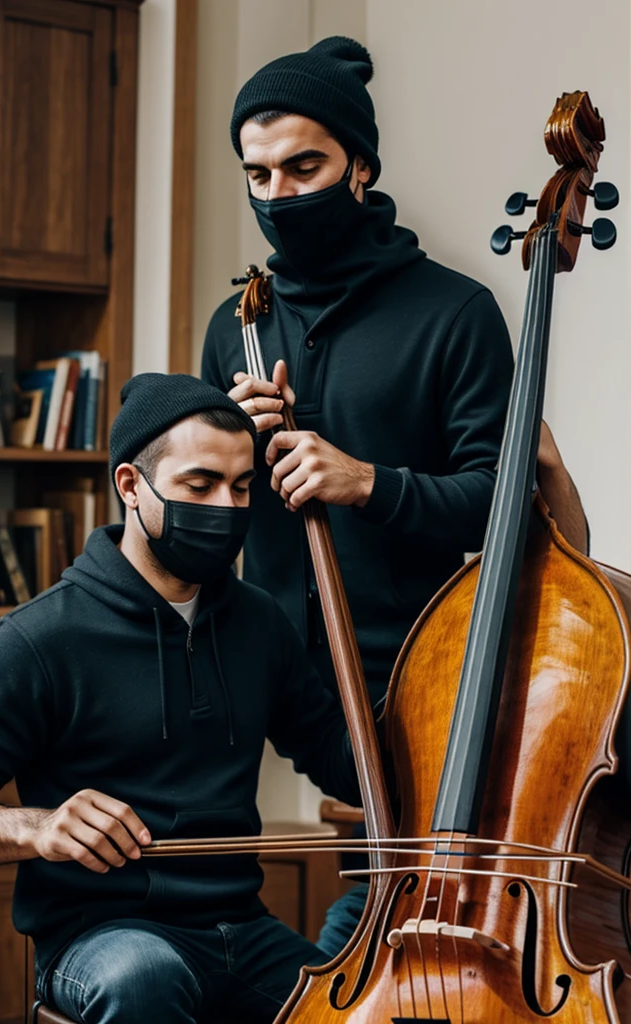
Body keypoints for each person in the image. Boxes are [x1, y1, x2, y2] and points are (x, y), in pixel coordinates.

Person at [201, 35, 590, 958]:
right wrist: (226, 449)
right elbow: (208, 508)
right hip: (272, 671)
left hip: (413, 675)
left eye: (305, 166)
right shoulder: (237, 324)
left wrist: (366, 482)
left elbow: (499, 505)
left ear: (362, 165)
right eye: (257, 175)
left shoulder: (453, 313)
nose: (278, 195)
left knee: (395, 889)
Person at [0, 374, 360, 1024]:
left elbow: (341, 759)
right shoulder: (37, 639)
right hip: (102, 939)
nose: (225, 508)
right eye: (199, 486)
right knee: (145, 979)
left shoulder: (260, 624)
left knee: (350, 1007)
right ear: (130, 486)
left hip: (243, 930)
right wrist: (38, 826)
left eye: (241, 487)